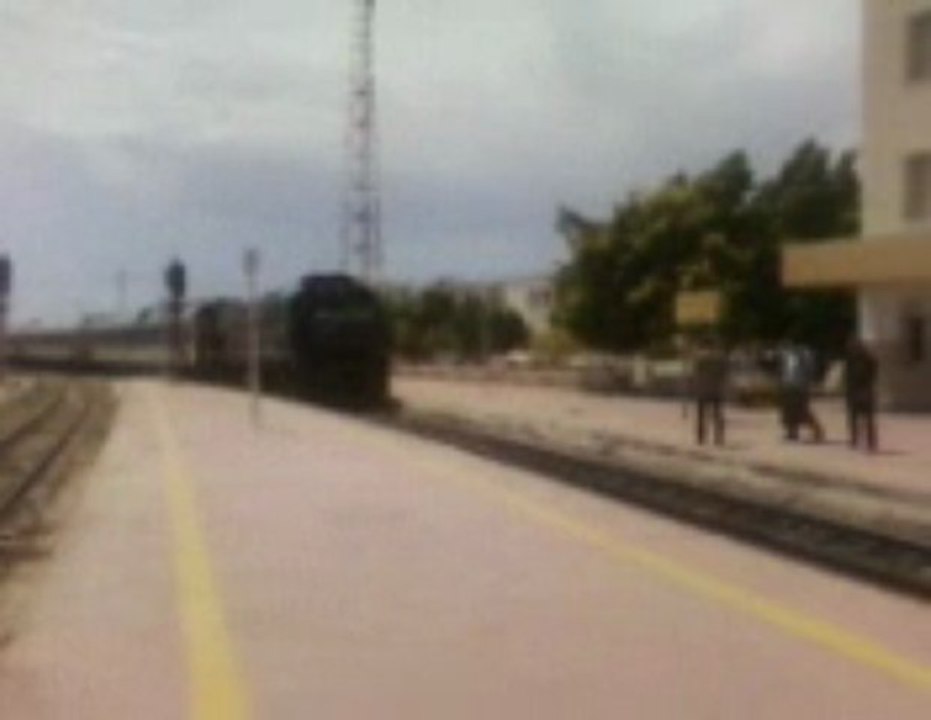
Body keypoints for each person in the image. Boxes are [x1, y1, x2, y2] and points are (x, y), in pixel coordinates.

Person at [779, 342, 824, 442]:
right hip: (788, 384)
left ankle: (818, 430)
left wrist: (808, 382)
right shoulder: (787, 354)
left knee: (802, 410)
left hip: (800, 386)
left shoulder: (805, 353)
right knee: (789, 410)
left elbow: (810, 369)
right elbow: (784, 369)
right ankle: (792, 432)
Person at [843, 337, 879, 452]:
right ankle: (854, 440)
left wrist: (867, 387)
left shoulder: (869, 359)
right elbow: (847, 377)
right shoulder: (850, 360)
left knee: (868, 418)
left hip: (864, 390)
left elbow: (873, 374)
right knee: (853, 417)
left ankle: (870, 442)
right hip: (853, 391)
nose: (853, 349)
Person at [692, 339, 728, 446]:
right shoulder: (719, 358)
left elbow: (696, 374)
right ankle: (719, 437)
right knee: (718, 414)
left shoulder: (700, 359)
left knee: (701, 415)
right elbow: (723, 374)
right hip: (716, 390)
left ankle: (701, 437)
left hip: (702, 390)